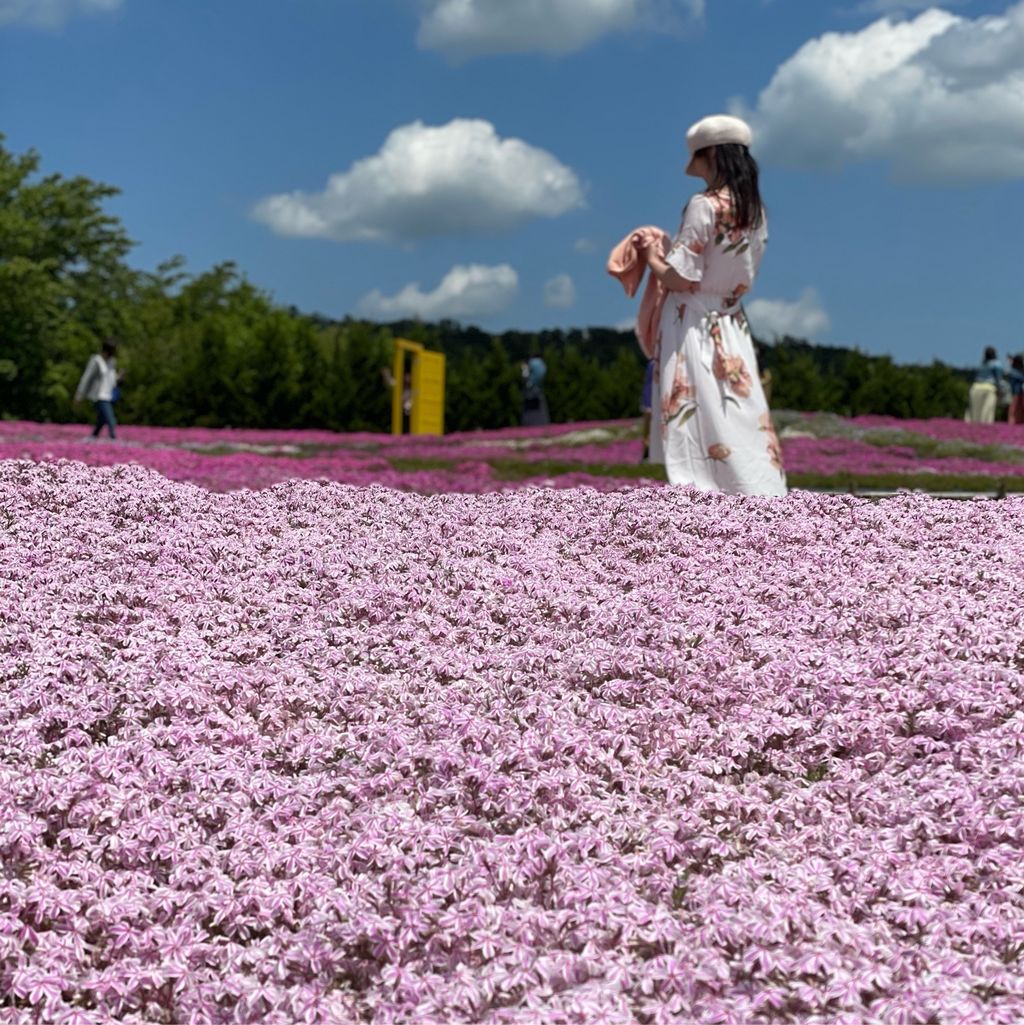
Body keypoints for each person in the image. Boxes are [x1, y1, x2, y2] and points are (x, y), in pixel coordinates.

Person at [633, 114, 785, 496]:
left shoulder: (704, 205)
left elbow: (680, 276)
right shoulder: (755, 211)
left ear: (711, 154)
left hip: (693, 319)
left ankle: (703, 493)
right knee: (737, 407)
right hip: (732, 320)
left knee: (697, 408)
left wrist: (653, 256)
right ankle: (759, 489)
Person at [74, 337, 121, 440]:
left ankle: (93, 437)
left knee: (102, 419)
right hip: (99, 396)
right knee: (110, 419)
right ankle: (114, 439)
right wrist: (79, 395)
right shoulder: (96, 361)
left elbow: (110, 379)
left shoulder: (112, 362)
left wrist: (119, 377)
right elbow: (86, 379)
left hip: (109, 395)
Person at [964, 347, 1004, 423]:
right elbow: (998, 379)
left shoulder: (981, 364)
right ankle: (985, 431)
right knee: (987, 413)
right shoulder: (997, 364)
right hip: (989, 388)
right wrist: (1000, 390)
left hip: (976, 387)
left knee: (975, 412)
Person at [521, 350, 549, 427]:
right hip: (538, 390)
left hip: (530, 390)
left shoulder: (531, 363)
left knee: (529, 413)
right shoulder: (542, 364)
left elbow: (525, 375)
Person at [639, 358, 655, 461]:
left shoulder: (652, 363)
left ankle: (647, 453)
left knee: (648, 430)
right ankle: (647, 453)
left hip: (649, 400)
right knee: (648, 430)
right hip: (650, 400)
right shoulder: (653, 364)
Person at [1007, 354, 1024, 425]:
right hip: (1017, 392)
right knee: (1015, 408)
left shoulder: (1014, 370)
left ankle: (1015, 422)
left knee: (1016, 408)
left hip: (1016, 392)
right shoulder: (1016, 372)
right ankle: (1013, 422)